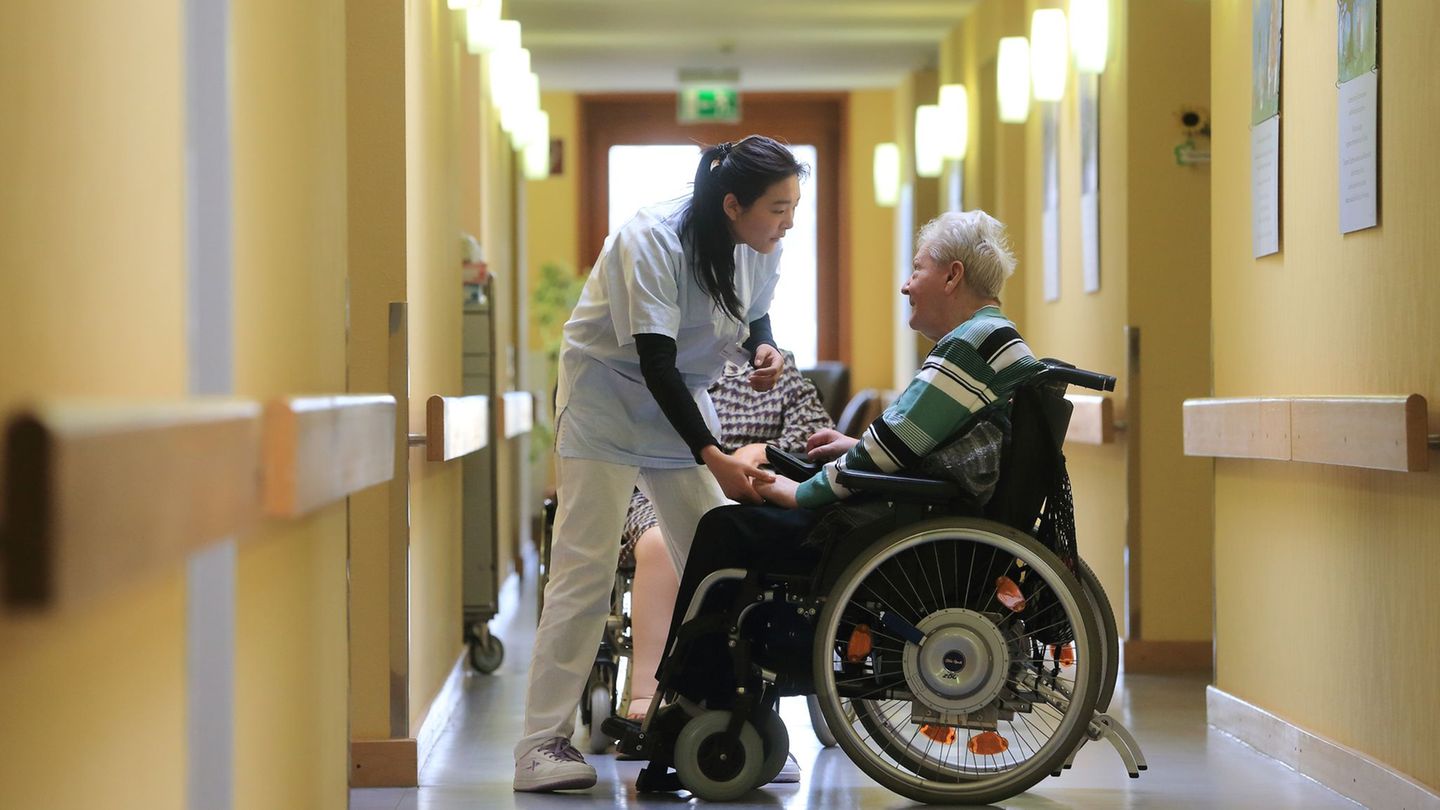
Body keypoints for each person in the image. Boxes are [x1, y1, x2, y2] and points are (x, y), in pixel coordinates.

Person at [513, 135, 808, 793]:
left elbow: (756, 312)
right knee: (584, 568)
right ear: (733, 205)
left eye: (793, 207)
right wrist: (715, 455)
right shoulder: (653, 236)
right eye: (778, 208)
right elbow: (654, 360)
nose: (789, 221)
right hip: (606, 400)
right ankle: (540, 745)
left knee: (726, 562)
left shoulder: (761, 241)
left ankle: (738, 722)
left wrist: (767, 352)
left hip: (684, 395)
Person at [658, 209, 1045, 705]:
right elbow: (918, 442)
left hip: (908, 533)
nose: (906, 286)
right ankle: (715, 691)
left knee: (726, 527)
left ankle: (698, 695)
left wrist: (800, 493)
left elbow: (895, 449)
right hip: (927, 516)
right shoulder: (992, 337)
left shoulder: (971, 345)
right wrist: (853, 448)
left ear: (953, 276)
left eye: (917, 269)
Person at [620, 351, 832, 784]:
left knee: (752, 553)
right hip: (661, 488)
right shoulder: (665, 368)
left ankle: (739, 700)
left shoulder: (776, 369)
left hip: (753, 493)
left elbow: (815, 438)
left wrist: (762, 451)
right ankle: (647, 693)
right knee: (661, 545)